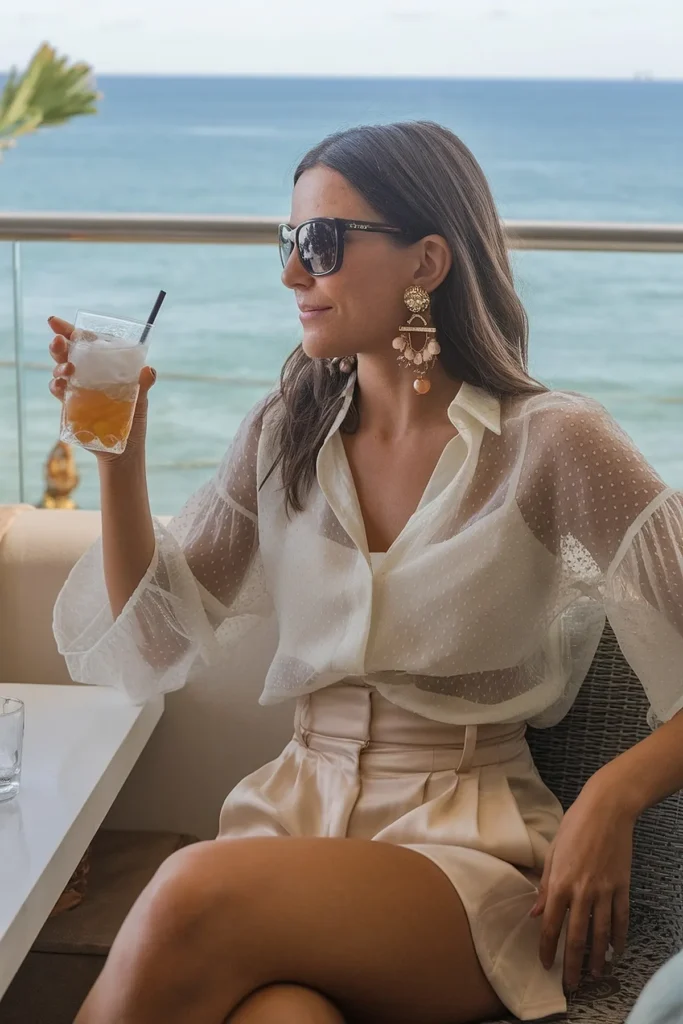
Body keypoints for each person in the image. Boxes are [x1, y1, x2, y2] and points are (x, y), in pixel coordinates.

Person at [49, 121, 683, 1024]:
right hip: (297, 819)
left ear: (427, 262)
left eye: (322, 243)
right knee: (283, 1018)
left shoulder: (552, 443)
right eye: (290, 241)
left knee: (189, 891)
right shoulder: (283, 433)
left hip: (466, 856)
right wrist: (119, 458)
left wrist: (612, 796)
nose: (291, 274)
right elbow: (150, 645)